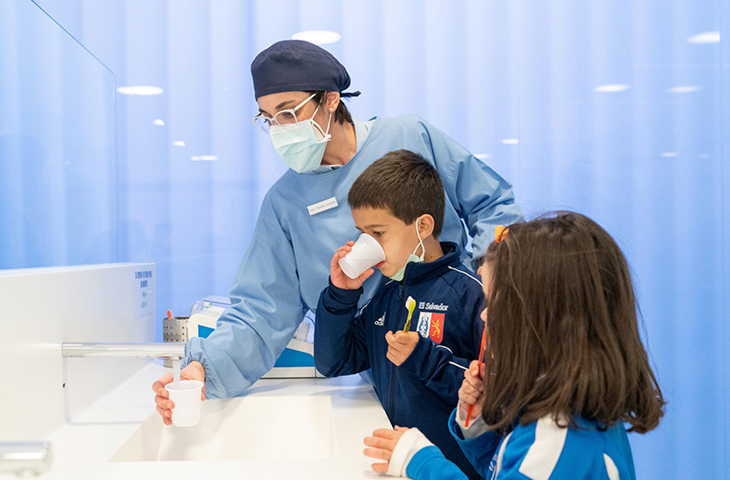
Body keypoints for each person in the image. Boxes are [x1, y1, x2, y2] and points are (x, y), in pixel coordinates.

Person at [152, 39, 523, 424]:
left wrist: (493, 290)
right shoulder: (286, 201)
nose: (279, 129)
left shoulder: (411, 137)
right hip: (382, 366)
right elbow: (261, 311)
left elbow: (492, 206)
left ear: (330, 100)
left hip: (462, 342)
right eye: (268, 118)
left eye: (288, 112)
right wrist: (203, 371)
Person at [362, 212, 666, 479]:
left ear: (541, 320)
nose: (484, 314)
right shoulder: (563, 412)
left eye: (493, 303)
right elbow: (507, 469)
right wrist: (480, 423)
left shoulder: (558, 441)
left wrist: (421, 460)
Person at [314, 150, 485, 479]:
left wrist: (425, 358)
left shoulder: (471, 295)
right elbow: (333, 361)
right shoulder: (387, 296)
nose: (368, 244)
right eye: (362, 233)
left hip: (451, 470)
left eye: (378, 233)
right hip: (395, 466)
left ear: (423, 226)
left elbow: (493, 392)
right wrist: (341, 293)